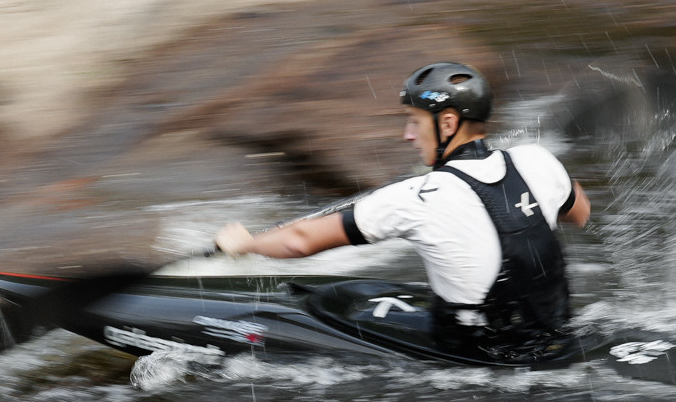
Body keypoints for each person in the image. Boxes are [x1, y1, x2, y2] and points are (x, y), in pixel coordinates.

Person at [211, 63, 592, 367]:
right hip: (555, 334)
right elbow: (581, 213)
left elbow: (300, 240)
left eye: (414, 121)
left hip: (478, 353)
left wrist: (246, 244)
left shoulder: (414, 196)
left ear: (447, 123)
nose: (407, 135)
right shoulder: (536, 159)